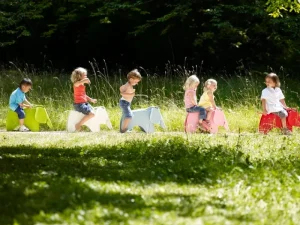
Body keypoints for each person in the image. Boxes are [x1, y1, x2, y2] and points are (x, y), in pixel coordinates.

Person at [71, 67, 97, 131]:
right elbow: (77, 83)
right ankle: (78, 125)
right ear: (79, 76)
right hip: (79, 105)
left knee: (94, 112)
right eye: (84, 75)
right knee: (92, 114)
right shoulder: (76, 84)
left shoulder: (82, 85)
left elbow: (83, 95)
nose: (86, 76)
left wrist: (91, 99)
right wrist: (83, 81)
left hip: (84, 103)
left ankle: (86, 126)